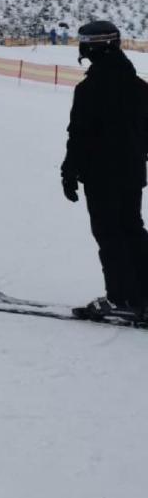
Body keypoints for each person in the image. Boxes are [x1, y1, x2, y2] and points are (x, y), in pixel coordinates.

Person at [61, 20, 148, 316]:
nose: (82, 48)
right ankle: (142, 295)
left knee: (110, 234)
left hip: (101, 175)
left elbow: (79, 134)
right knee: (132, 230)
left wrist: (69, 170)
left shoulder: (89, 89)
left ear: (97, 46)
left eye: (85, 43)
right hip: (132, 173)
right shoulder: (139, 87)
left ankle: (121, 298)